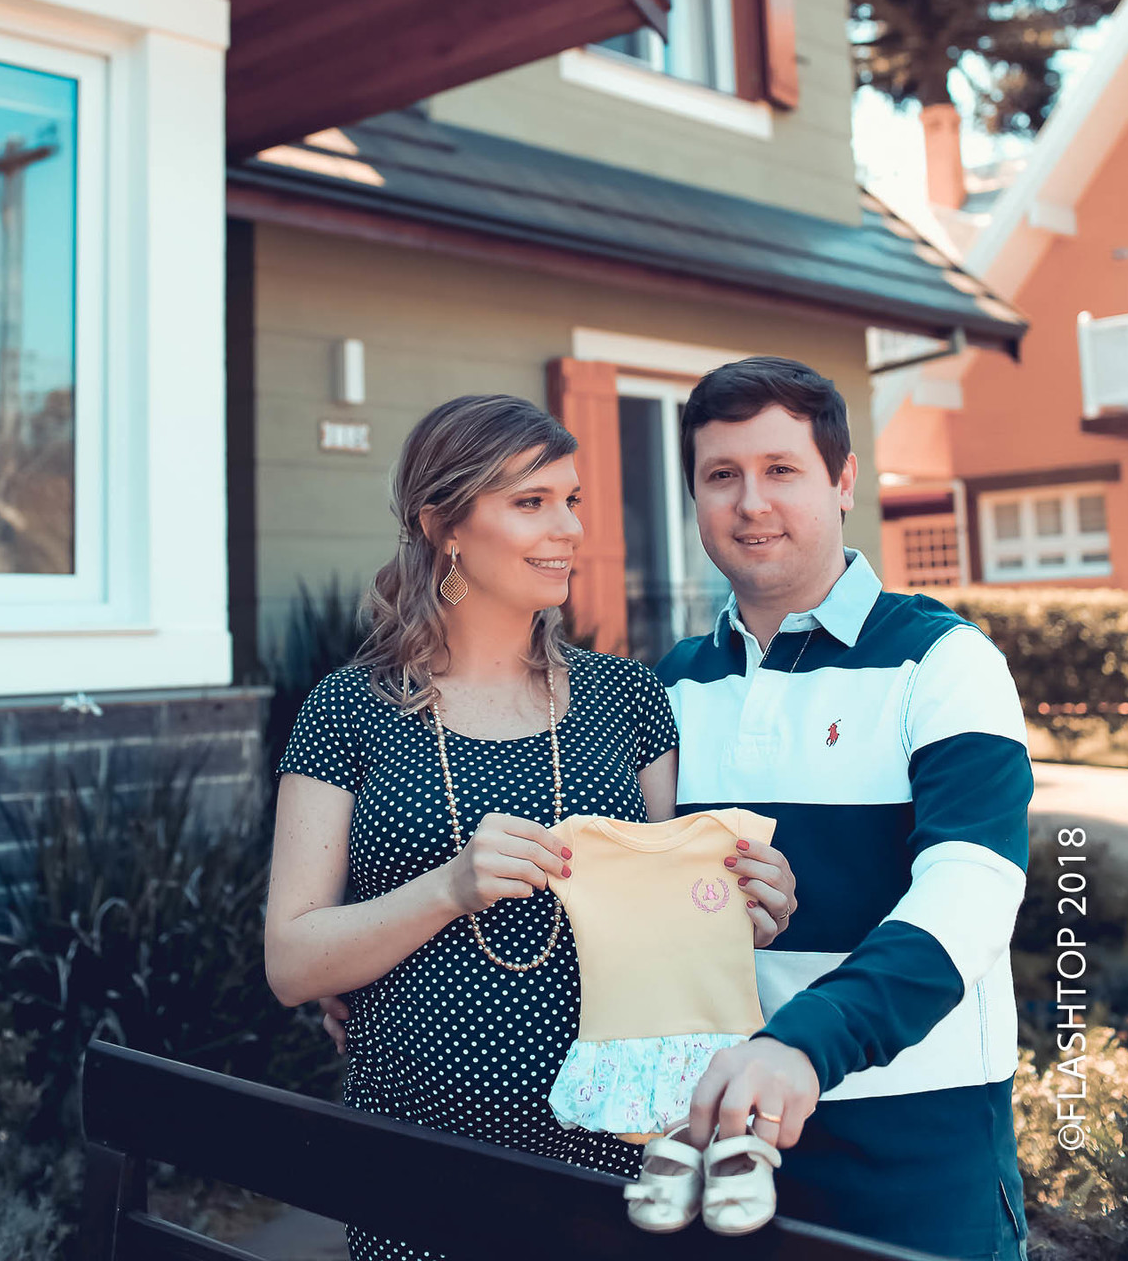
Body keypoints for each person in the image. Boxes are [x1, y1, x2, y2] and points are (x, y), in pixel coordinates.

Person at [264, 394, 797, 1261]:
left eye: (572, 499)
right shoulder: (346, 712)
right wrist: (446, 889)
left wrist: (743, 905)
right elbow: (291, 961)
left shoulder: (627, 700)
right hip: (419, 1170)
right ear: (446, 525)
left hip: (616, 1167)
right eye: (531, 501)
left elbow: (671, 923)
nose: (570, 527)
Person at [657, 356, 1033, 1261]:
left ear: (844, 479)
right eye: (722, 475)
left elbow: (971, 890)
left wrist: (805, 1042)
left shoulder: (944, 660)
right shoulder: (668, 684)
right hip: (718, 1147)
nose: (751, 502)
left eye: (781, 469)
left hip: (915, 1150)